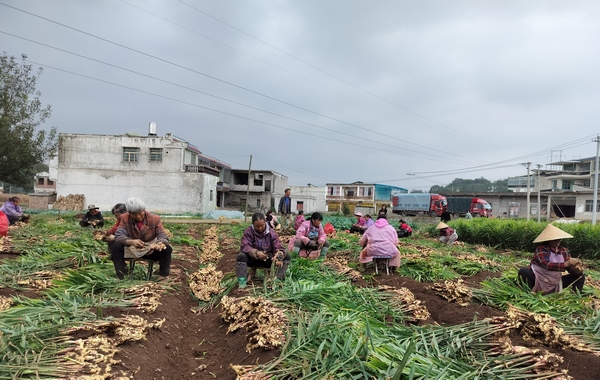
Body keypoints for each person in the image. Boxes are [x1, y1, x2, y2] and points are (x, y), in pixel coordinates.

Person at [111, 197, 172, 281]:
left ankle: (163, 276)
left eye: (140, 213)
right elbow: (119, 234)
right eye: (134, 214)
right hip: (131, 248)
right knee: (116, 246)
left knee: (167, 249)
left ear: (144, 209)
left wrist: (159, 243)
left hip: (150, 248)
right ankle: (121, 275)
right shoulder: (125, 218)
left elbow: (162, 234)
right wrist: (131, 241)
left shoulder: (154, 218)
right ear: (129, 213)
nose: (138, 216)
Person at [518, 224, 585, 295]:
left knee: (580, 276)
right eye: (555, 240)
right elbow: (546, 264)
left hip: (555, 281)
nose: (558, 242)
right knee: (523, 271)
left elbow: (569, 268)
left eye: (559, 239)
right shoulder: (541, 249)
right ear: (548, 240)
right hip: (538, 279)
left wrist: (576, 269)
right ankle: (529, 293)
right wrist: (565, 264)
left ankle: (577, 296)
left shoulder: (564, 251)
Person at [236, 212, 290, 288]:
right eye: (257, 226)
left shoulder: (271, 233)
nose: (260, 228)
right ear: (253, 225)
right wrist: (256, 253)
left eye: (262, 225)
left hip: (268, 260)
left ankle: (277, 281)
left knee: (286, 256)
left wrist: (278, 255)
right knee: (241, 256)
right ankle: (242, 284)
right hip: (253, 260)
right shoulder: (249, 231)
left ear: (265, 222)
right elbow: (245, 245)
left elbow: (277, 245)